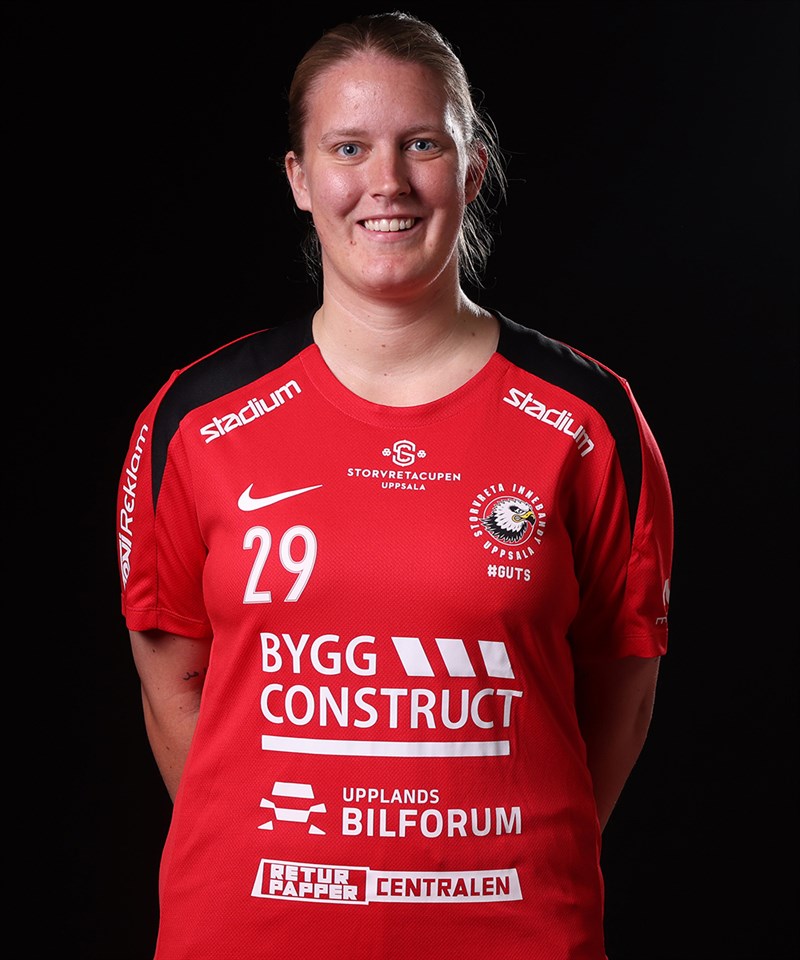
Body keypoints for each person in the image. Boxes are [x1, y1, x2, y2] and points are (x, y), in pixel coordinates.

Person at [115, 11, 673, 959]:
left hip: (513, 930)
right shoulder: (195, 420)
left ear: (473, 169)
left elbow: (623, 687)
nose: (387, 183)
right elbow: (172, 681)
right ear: (299, 179)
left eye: (422, 144)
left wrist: (515, 848)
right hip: (250, 930)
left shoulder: (588, 420)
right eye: (348, 148)